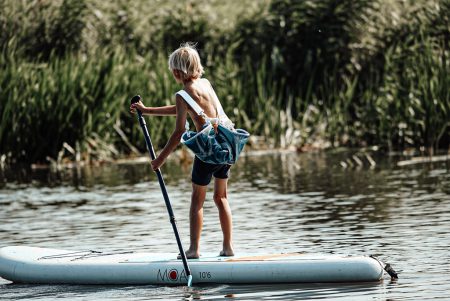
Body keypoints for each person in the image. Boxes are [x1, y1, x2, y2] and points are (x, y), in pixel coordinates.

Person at [130, 43, 234, 259]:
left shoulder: (182, 94)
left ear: (177, 72)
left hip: (207, 151)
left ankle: (194, 250)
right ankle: (228, 248)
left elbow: (178, 133)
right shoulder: (205, 84)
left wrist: (159, 159)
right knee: (221, 197)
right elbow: (183, 109)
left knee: (197, 199)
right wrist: (147, 110)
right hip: (226, 146)